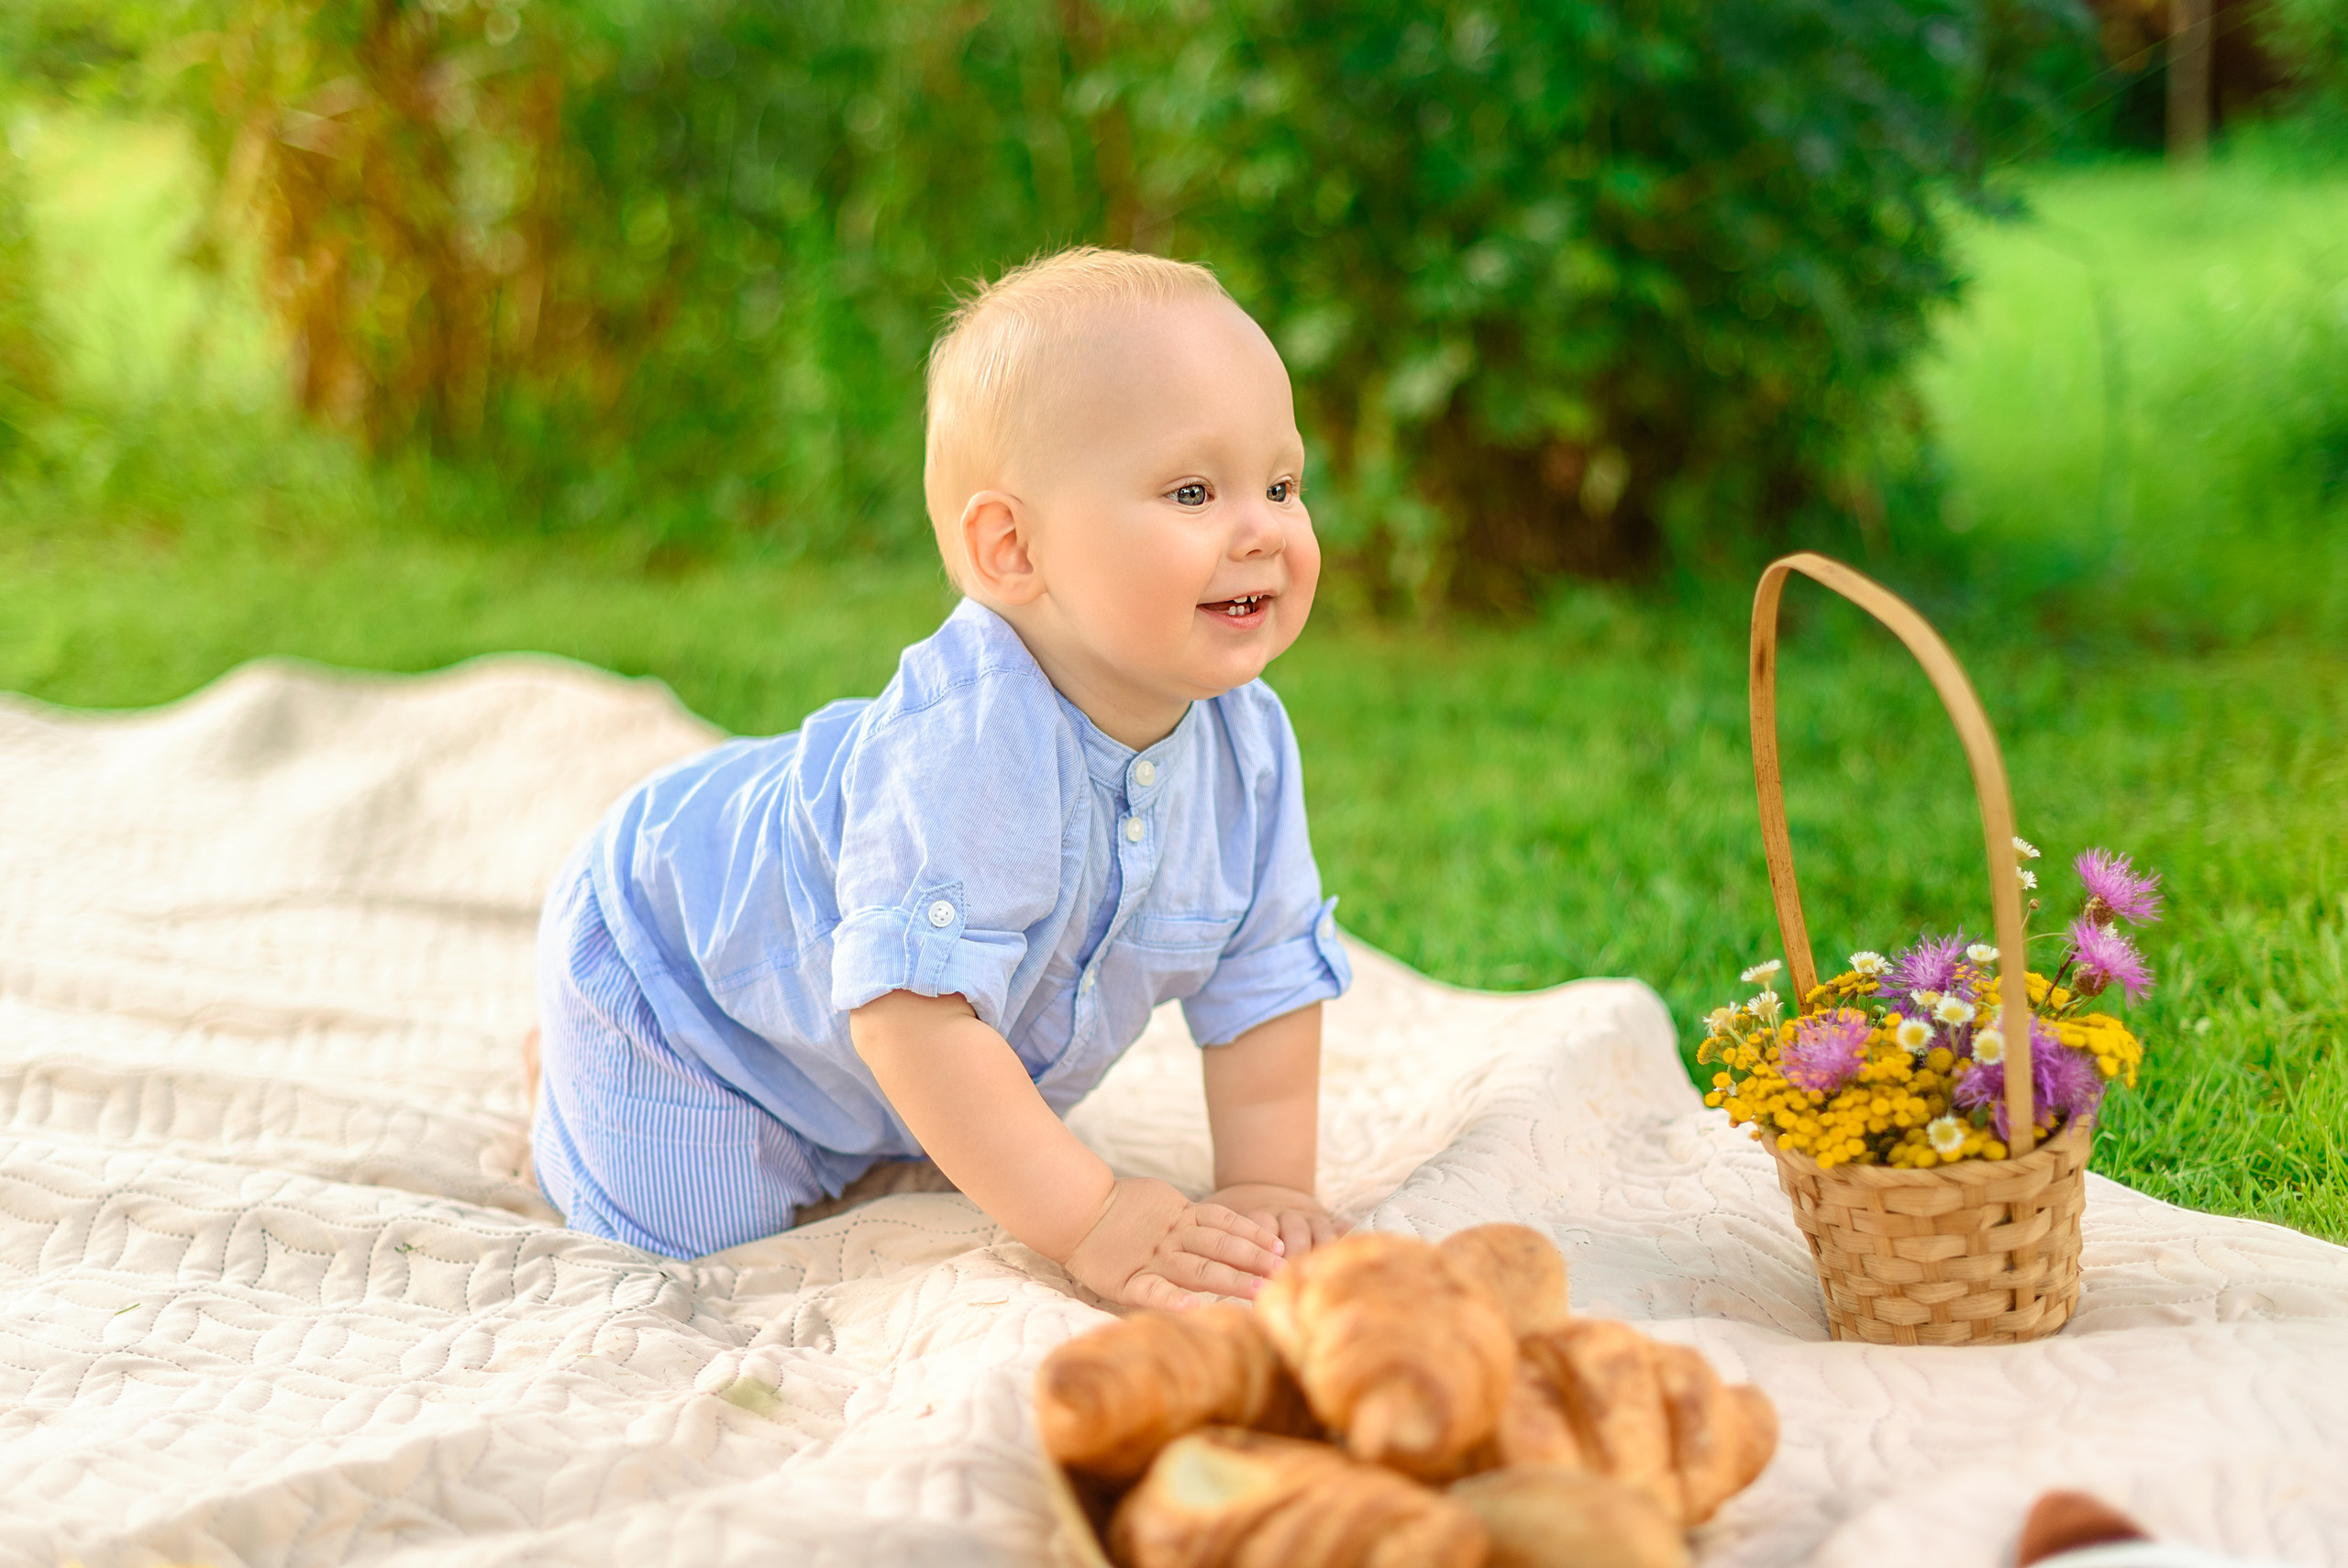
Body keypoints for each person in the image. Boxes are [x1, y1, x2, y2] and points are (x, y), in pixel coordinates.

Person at [526, 247, 1352, 1309]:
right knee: (697, 1257)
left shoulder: (1248, 744)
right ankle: (571, 1077)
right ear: (1012, 549)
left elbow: (1266, 979)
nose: (1264, 530)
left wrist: (1268, 1185)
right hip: (680, 989)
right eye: (1193, 490)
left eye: (1281, 485)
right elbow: (910, 1020)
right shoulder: (962, 748)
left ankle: (805, 1116)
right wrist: (1094, 1219)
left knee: (926, 1134)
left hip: (867, 1043)